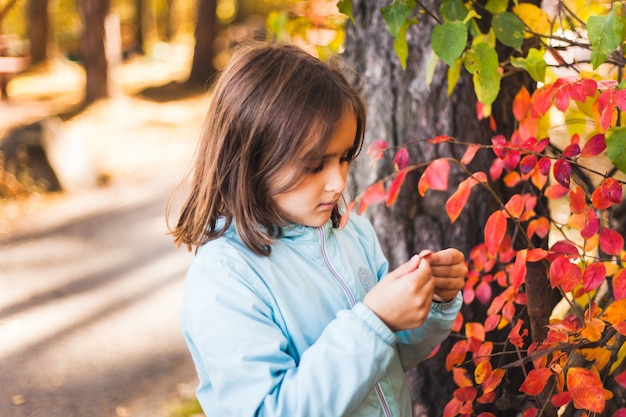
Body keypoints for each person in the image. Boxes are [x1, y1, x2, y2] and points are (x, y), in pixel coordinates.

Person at [169, 41, 467, 417]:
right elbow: (270, 410)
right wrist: (374, 321)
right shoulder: (225, 279)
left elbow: (392, 353)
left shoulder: (351, 234)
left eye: (343, 158)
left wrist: (430, 301)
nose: (338, 183)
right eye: (314, 165)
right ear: (250, 160)